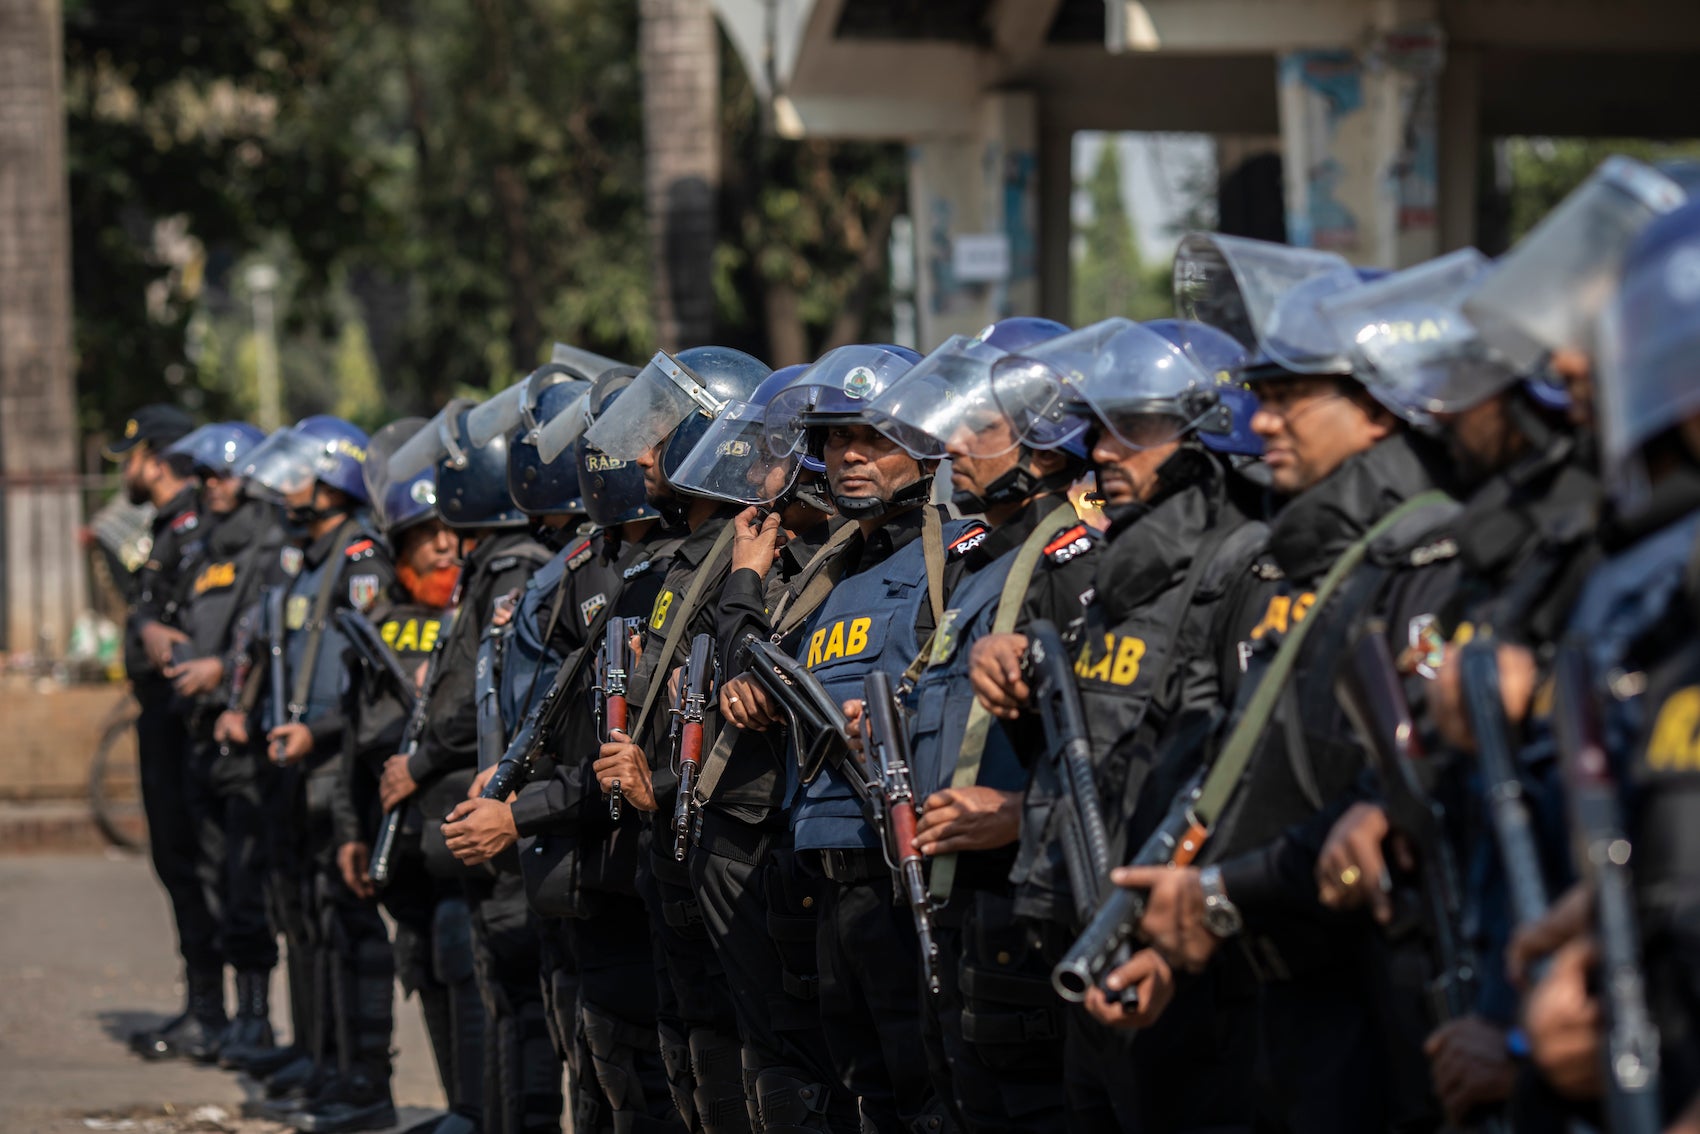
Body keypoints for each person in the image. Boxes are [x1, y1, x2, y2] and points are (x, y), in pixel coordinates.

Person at [1103, 234, 1464, 1134]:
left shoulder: (1431, 555)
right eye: (1259, 398)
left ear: (1378, 408)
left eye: (1290, 397)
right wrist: (1178, 944)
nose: (1260, 423)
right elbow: (1252, 772)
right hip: (1270, 996)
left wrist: (1224, 898)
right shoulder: (1312, 563)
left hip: (1379, 1009)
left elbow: (1394, 802)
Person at [963, 317, 1271, 1132]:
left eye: (1133, 428)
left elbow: (1243, 782)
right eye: (1099, 427)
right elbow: (1085, 748)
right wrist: (1021, 663)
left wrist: (1175, 943)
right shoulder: (1117, 575)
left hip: (1191, 974)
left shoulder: (1246, 565)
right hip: (1086, 944)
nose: (1102, 450)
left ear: (1209, 429)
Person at [715, 343, 972, 1133]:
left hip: (907, 874)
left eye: (872, 438)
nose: (848, 457)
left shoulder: (957, 557)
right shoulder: (832, 569)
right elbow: (757, 680)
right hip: (822, 871)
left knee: (930, 1089)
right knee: (864, 1091)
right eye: (832, 439)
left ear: (924, 442)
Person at [667, 362, 854, 1132]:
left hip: (794, 836)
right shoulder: (764, 550)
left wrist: (745, 580)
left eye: (774, 454)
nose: (756, 472)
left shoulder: (842, 561)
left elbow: (763, 678)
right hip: (744, 835)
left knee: (813, 1057)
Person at [214, 416, 389, 1089]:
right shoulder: (304, 560)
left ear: (336, 478)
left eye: (301, 476)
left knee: (345, 916)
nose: (287, 490)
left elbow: (368, 680)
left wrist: (317, 735)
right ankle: (320, 1056)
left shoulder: (359, 557)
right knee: (301, 912)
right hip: (287, 763)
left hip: (332, 764)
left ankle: (362, 1073)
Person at [110, 403, 227, 1062]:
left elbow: (191, 628)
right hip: (165, 720)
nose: (125, 472)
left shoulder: (194, 527)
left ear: (156, 457)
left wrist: (154, 634)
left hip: (187, 722)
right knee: (179, 863)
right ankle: (207, 1007)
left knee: (200, 864)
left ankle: (219, 1015)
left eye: (129, 457)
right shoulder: (169, 526)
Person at [159, 421, 278, 1066]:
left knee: (245, 883)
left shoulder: (270, 543)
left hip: (247, 741)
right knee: (207, 877)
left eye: (220, 476)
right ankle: (223, 1015)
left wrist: (229, 684)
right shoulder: (203, 547)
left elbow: (264, 640)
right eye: (203, 478)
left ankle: (256, 1019)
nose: (210, 488)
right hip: (199, 732)